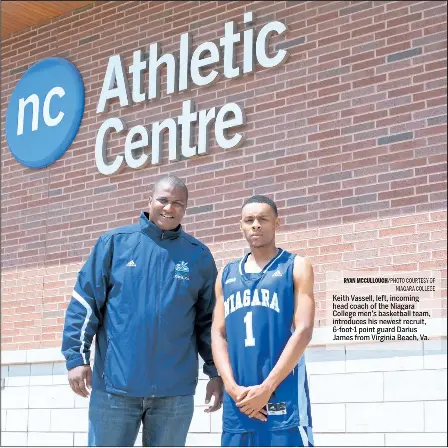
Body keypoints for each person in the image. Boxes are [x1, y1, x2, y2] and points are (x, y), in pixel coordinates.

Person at [61, 175, 223, 447]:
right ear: (149, 201)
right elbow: (85, 303)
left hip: (174, 393)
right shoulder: (115, 243)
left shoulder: (198, 255)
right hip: (115, 388)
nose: (169, 208)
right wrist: (76, 358)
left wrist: (216, 372)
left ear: (185, 209)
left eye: (178, 203)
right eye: (163, 200)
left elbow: (209, 322)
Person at [211, 195, 315, 447]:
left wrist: (267, 387)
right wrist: (232, 388)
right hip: (239, 401)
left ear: (277, 223)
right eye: (249, 220)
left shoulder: (296, 266)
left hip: (282, 396)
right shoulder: (226, 274)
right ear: (241, 225)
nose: (255, 225)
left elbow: (304, 330)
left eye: (263, 219)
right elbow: (218, 334)